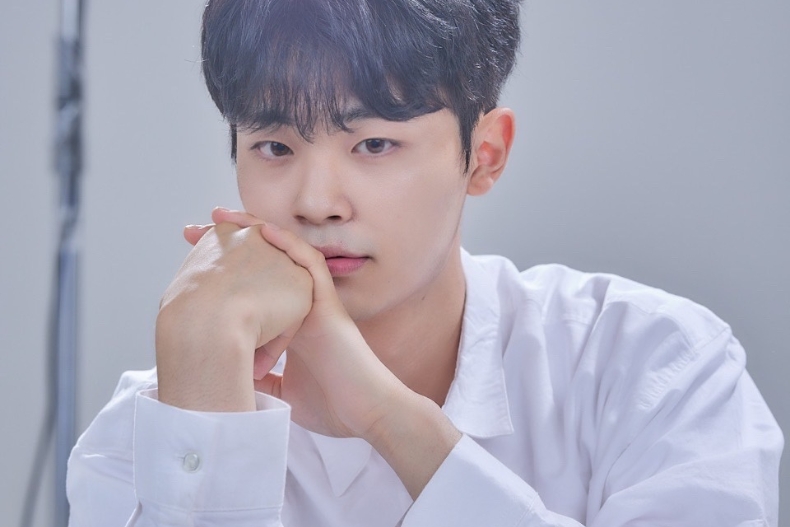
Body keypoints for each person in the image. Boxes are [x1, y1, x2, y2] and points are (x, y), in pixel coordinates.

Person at [67, 0, 783, 525]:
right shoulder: (148, 427)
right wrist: (204, 383)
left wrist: (378, 405)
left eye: (374, 144)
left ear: (485, 155)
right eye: (275, 147)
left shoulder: (651, 366)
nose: (317, 203)